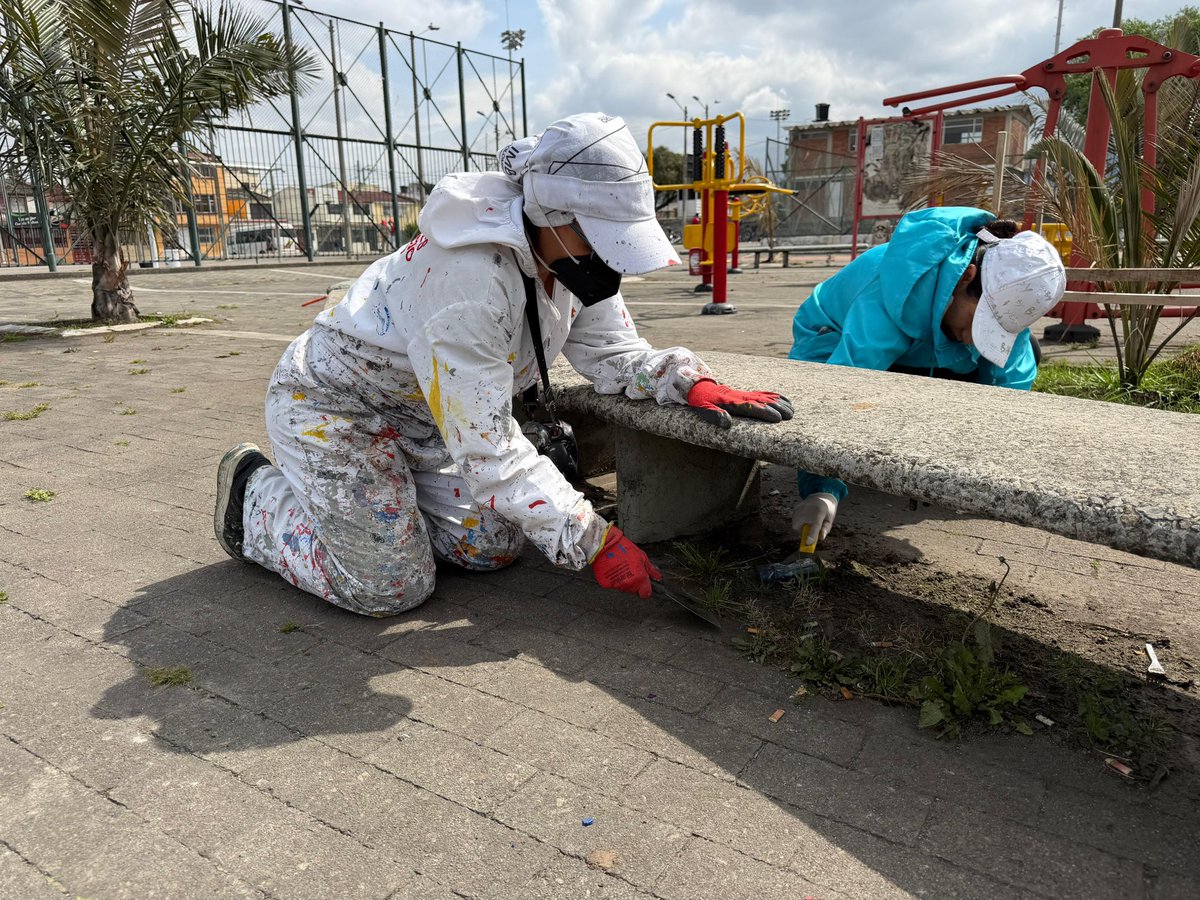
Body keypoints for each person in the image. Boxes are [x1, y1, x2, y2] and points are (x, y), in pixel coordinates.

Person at [214, 112, 793, 617]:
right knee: (389, 586)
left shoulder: (568, 259)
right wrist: (592, 538)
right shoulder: (468, 280)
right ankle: (255, 497)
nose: (612, 257)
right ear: (547, 211)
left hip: (428, 421)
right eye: (602, 237)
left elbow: (614, 354)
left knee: (491, 546)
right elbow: (487, 448)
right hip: (336, 409)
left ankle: (382, 507)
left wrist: (686, 381)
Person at [788, 206, 1065, 543]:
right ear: (967, 276)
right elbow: (836, 393)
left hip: (922, 354)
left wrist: (990, 467)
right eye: (982, 324)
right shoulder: (891, 292)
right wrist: (821, 490)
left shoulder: (1005, 297)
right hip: (830, 339)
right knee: (855, 406)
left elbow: (1010, 392)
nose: (978, 338)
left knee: (1023, 355)